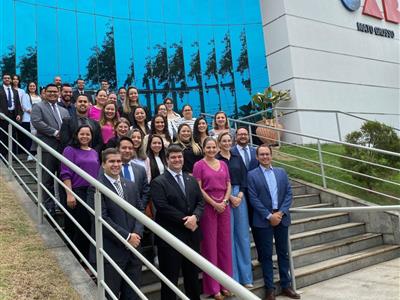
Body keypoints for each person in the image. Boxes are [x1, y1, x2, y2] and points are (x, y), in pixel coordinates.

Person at [88, 148, 144, 300]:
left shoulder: (131, 185)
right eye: (111, 161)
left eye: (118, 161)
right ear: (103, 164)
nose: (116, 164)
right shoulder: (96, 187)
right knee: (111, 295)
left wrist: (136, 234)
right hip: (110, 252)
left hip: (133, 250)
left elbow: (139, 211)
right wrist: (126, 237)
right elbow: (101, 218)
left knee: (133, 295)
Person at [151, 144, 204, 300]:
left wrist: (195, 217)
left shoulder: (191, 179)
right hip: (170, 238)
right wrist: (185, 220)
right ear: (167, 160)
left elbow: (200, 202)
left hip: (191, 236)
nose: (177, 160)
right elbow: (162, 207)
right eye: (173, 157)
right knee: (170, 280)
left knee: (192, 278)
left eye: (179, 157)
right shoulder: (158, 182)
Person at [247, 145, 300, 300]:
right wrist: (270, 216)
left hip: (282, 217)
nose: (265, 157)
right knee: (266, 255)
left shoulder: (281, 172)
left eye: (267, 154)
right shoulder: (251, 175)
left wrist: (280, 213)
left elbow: (289, 194)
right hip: (263, 221)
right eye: (261, 154)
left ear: (271, 156)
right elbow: (253, 199)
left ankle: (286, 285)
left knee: (283, 253)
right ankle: (270, 289)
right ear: (257, 157)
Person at [192, 137, 232, 300]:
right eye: (207, 147)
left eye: (213, 147)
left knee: (224, 246)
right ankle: (213, 287)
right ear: (203, 148)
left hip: (224, 206)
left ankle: (226, 283)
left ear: (217, 148)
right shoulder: (198, 165)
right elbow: (198, 188)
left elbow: (228, 183)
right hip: (208, 207)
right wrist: (214, 204)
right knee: (210, 246)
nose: (210, 150)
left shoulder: (223, 164)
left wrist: (225, 201)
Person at [216, 132, 253, 287]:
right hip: (224, 197)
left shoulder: (237, 157)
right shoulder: (217, 159)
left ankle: (246, 278)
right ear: (219, 143)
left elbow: (245, 178)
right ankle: (233, 278)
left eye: (228, 140)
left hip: (240, 198)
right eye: (223, 140)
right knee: (228, 237)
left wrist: (240, 195)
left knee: (243, 236)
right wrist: (230, 196)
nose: (226, 143)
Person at [60, 125, 100, 259]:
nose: (85, 136)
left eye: (88, 134)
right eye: (82, 134)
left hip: (94, 192)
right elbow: (65, 173)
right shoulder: (70, 150)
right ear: (76, 135)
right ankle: (80, 260)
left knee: (93, 227)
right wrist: (69, 194)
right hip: (78, 192)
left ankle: (91, 259)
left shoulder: (94, 152)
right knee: (82, 227)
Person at [31, 83, 70, 215]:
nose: (53, 94)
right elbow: (37, 122)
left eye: (55, 92)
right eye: (50, 92)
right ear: (45, 93)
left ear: (59, 93)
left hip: (62, 150)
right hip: (47, 148)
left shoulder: (64, 110)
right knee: (47, 179)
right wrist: (55, 133)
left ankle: (64, 206)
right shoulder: (38, 106)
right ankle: (49, 207)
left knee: (63, 178)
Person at [231, 127, 258, 230]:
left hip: (254, 191)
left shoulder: (255, 151)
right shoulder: (230, 152)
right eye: (240, 134)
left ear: (249, 136)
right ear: (236, 137)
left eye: (245, 134)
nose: (243, 136)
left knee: (255, 222)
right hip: (238, 192)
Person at [118, 137, 150, 209]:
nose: (127, 150)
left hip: (137, 211)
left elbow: (146, 191)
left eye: (130, 148)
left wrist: (141, 207)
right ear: (118, 150)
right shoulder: (111, 168)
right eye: (124, 148)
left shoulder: (140, 169)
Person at [0, 73, 22, 160]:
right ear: (3, 79)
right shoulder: (0, 90)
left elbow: (18, 105)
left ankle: (12, 155)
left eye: (8, 78)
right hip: (3, 116)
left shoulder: (15, 91)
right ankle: (3, 155)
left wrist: (19, 114)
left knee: (13, 136)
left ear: (11, 80)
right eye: (5, 78)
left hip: (13, 115)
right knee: (3, 135)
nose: (7, 79)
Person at [21, 81, 42, 160]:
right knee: (28, 137)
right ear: (28, 87)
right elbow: (24, 106)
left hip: (37, 120)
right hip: (27, 119)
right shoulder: (25, 95)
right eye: (30, 86)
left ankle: (36, 153)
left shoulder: (38, 96)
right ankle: (29, 154)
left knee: (36, 137)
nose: (32, 87)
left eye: (33, 86)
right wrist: (34, 112)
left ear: (36, 87)